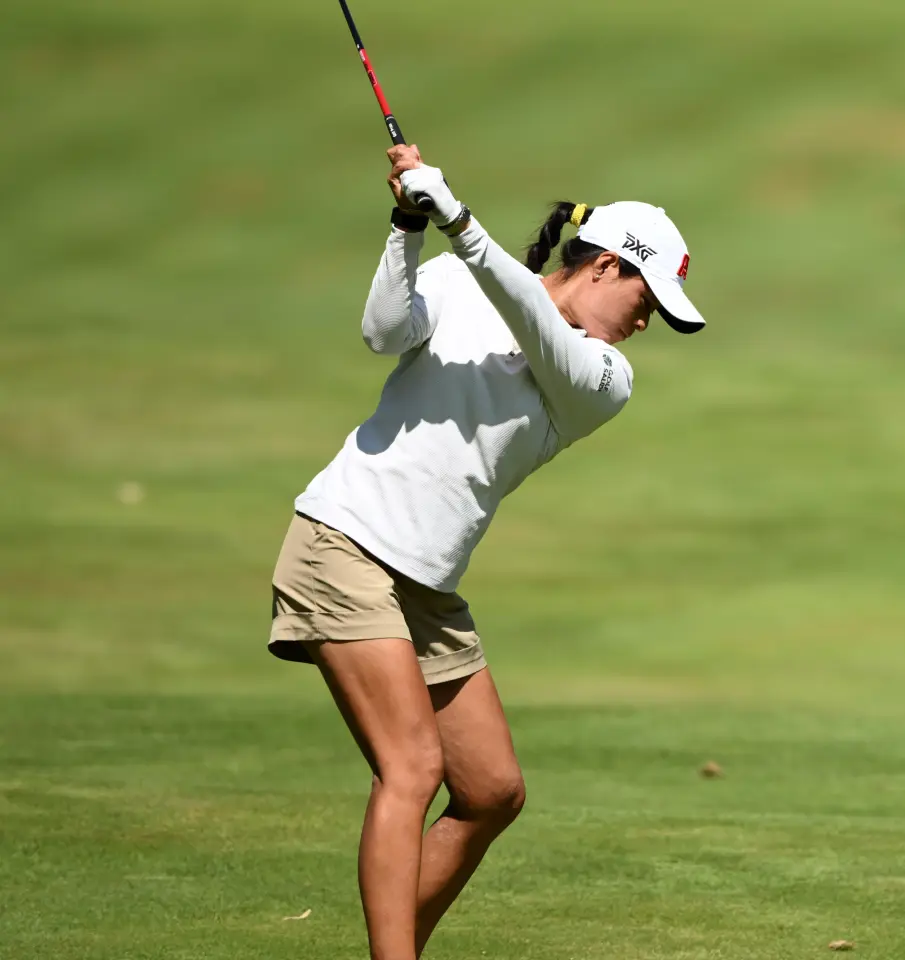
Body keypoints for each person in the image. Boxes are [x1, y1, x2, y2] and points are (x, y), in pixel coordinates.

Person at [265, 144, 706, 960]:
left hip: (424, 583)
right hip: (345, 542)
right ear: (608, 266)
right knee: (412, 765)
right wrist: (407, 223)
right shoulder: (464, 279)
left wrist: (458, 222)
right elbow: (382, 330)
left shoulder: (604, 377)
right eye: (650, 299)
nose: (649, 323)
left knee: (492, 790)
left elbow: (532, 321)